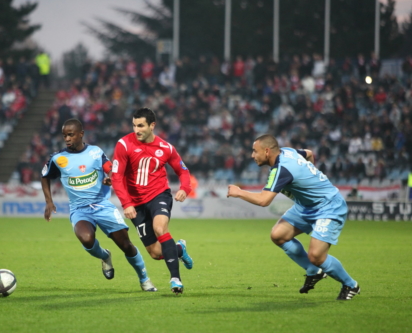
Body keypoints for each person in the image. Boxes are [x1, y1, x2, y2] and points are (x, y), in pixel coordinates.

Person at [227, 134, 360, 301]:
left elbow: (264, 200)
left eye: (255, 151)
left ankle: (350, 284)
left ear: (267, 151)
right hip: (305, 206)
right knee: (278, 235)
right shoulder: (287, 152)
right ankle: (313, 271)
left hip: (328, 206)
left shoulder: (281, 169)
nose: (252, 155)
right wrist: (311, 177)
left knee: (316, 256)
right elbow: (309, 153)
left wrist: (239, 192)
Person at [41, 118, 157, 292]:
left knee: (126, 245)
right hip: (79, 210)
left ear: (81, 134)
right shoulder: (58, 158)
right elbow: (45, 176)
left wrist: (110, 176)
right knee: (87, 239)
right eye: (64, 135)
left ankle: (144, 279)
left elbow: (110, 167)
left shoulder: (95, 152)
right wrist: (49, 202)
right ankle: (105, 256)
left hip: (102, 206)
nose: (67, 139)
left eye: (71, 135)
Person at [111, 107, 194, 295]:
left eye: (141, 126)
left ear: (152, 125)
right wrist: (127, 203)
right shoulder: (124, 145)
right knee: (156, 253)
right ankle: (179, 249)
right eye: (134, 125)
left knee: (160, 228)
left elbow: (183, 170)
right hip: (135, 204)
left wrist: (184, 188)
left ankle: (175, 279)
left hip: (159, 195)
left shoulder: (165, 148)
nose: (136, 130)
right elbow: (117, 177)